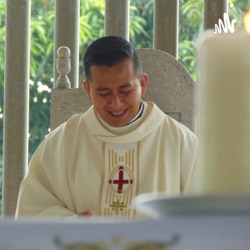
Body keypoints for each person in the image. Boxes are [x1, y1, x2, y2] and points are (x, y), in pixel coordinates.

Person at [15, 36, 198, 219]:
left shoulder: (182, 143)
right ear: (88, 91)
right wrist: (73, 225)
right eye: (104, 93)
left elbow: (205, 219)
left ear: (142, 84)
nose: (116, 104)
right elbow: (30, 212)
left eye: (125, 91)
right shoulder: (62, 144)